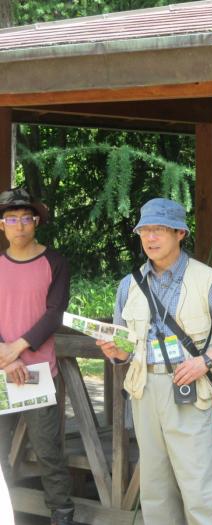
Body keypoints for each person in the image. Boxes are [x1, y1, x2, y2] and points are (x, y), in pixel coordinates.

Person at [96, 197, 212, 525]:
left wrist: (207, 361)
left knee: (200, 489)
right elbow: (125, 347)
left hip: (190, 391)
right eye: (144, 231)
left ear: (180, 233)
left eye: (158, 230)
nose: (149, 238)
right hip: (144, 393)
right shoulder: (129, 285)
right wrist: (117, 353)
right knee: (154, 490)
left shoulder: (207, 281)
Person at [0, 188, 76, 525]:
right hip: (1, 368)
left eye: (25, 218)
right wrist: (6, 357)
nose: (19, 225)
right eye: (11, 219)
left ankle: (61, 514)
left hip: (38, 372)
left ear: (36, 222)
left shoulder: (54, 262)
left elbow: (54, 313)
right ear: (2, 225)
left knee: (48, 450)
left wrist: (16, 348)